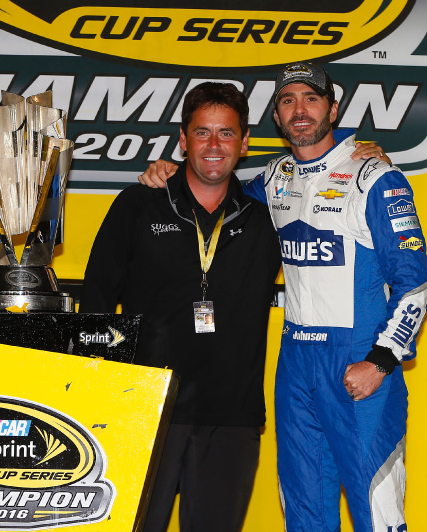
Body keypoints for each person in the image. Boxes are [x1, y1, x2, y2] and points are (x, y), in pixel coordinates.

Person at [139, 62, 427, 531]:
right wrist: (170, 170)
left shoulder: (375, 178)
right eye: (288, 100)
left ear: (333, 108)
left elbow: (415, 281)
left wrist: (381, 360)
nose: (300, 109)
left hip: (358, 357)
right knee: (303, 509)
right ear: (276, 115)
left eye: (312, 99)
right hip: (296, 365)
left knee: (376, 508)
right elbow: (216, 193)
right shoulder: (274, 179)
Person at [80, 82, 283, 532]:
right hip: (143, 411)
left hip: (230, 418)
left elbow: (321, 181)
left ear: (245, 141)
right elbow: (95, 302)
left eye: (226, 133)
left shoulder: (265, 215)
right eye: (203, 132)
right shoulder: (139, 203)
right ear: (183, 139)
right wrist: (98, 396)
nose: (214, 145)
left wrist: (364, 154)